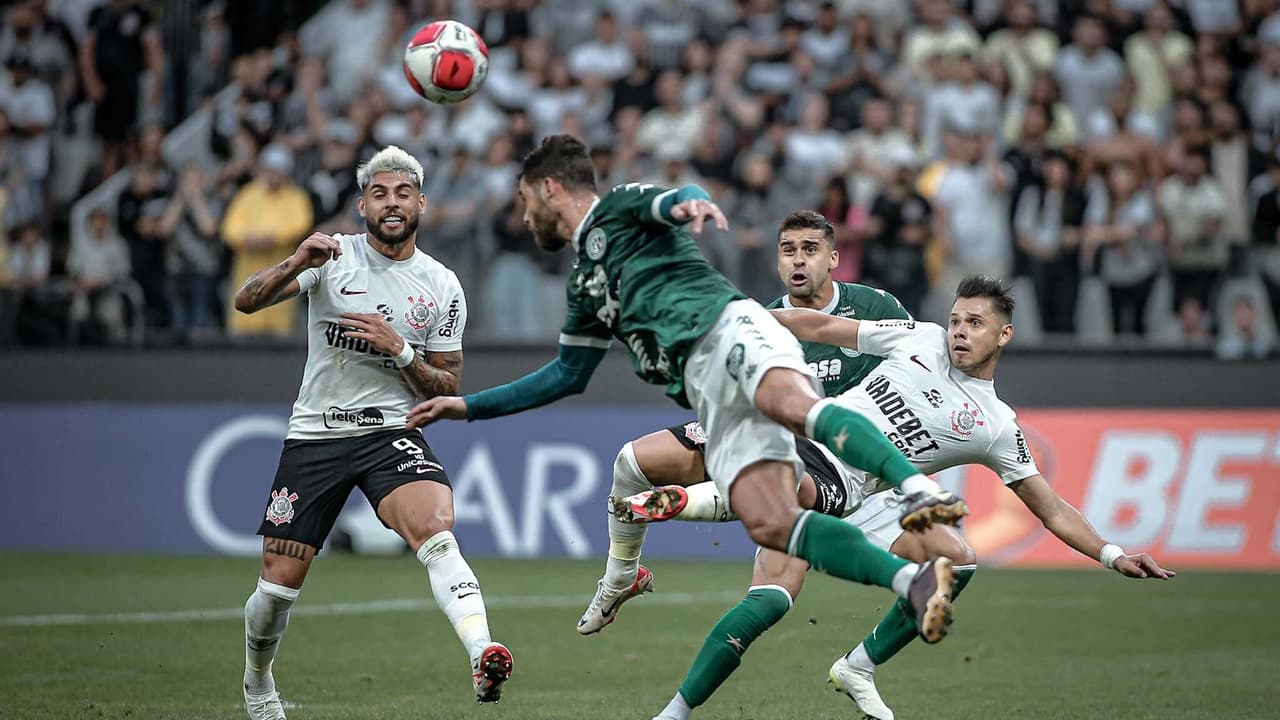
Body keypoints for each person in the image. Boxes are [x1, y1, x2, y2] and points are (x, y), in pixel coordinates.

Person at [406, 135, 969, 715]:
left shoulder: (621, 206)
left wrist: (693, 204)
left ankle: (919, 488)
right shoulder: (585, 286)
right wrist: (470, 406)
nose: (524, 217)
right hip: (706, 390)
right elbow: (565, 376)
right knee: (775, 523)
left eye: (526, 201)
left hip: (732, 329)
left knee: (794, 405)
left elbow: (676, 199)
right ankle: (908, 583)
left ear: (550, 188)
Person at [629, 276, 1175, 720]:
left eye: (975, 324)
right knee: (772, 596)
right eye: (957, 319)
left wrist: (1112, 553)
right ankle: (673, 708)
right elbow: (816, 323)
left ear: (1004, 335)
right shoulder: (920, 337)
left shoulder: (995, 426)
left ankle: (857, 667)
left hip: (874, 492)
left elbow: (1051, 508)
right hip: (821, 448)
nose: (959, 332)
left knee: (958, 563)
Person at [231, 146, 512, 720]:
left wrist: (400, 348)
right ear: (362, 204)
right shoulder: (329, 257)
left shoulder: (441, 285)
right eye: (380, 194)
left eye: (402, 194)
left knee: (437, 529)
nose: (391, 204)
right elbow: (245, 302)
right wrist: (293, 261)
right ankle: (258, 685)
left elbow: (446, 382)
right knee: (278, 586)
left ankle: (483, 651)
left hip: (391, 431)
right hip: (316, 434)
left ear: (421, 204)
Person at [575, 209, 912, 637]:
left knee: (951, 559)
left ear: (833, 257)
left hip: (845, 469)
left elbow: (913, 376)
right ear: (777, 261)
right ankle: (621, 577)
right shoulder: (759, 323)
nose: (798, 260)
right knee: (632, 461)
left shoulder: (875, 307)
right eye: (788, 250)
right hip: (768, 439)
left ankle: (862, 661)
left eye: (810, 249)